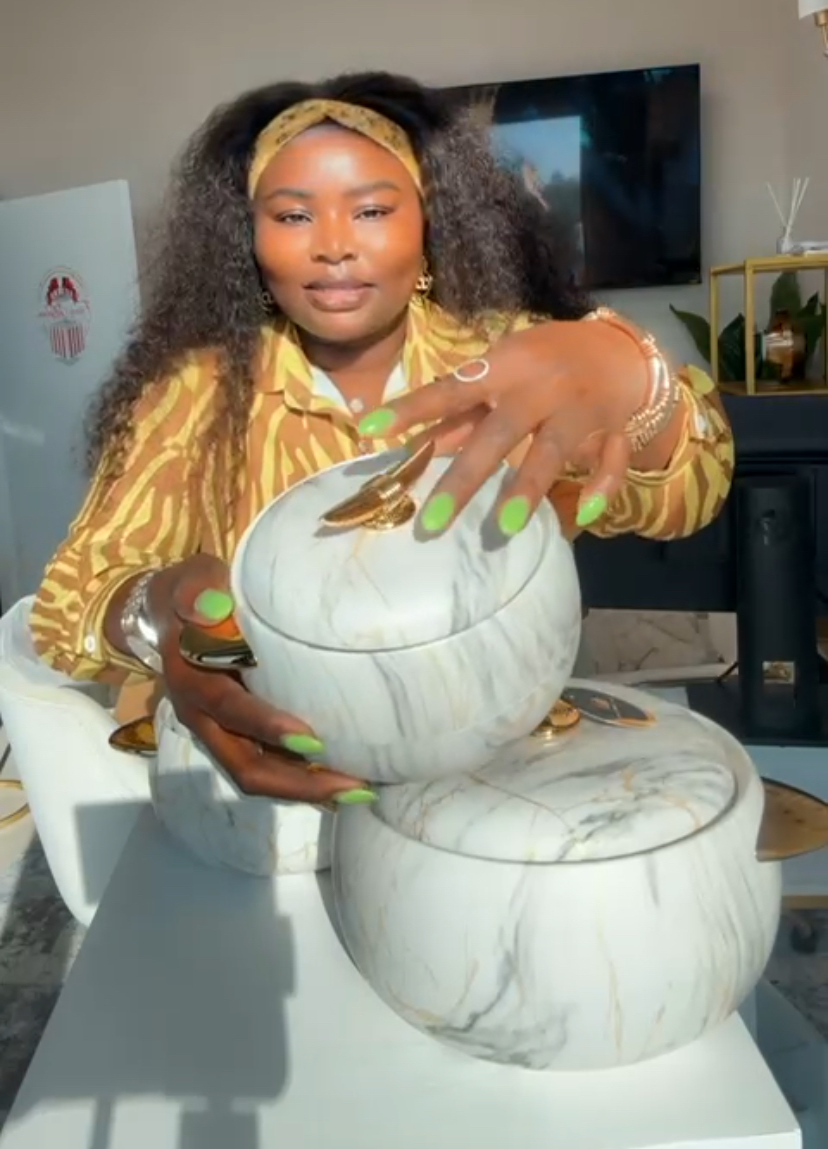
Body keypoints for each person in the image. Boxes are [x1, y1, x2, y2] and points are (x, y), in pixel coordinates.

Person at [31, 72, 733, 807]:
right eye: (293, 216)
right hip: (281, 798)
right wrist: (157, 609)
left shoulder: (511, 360)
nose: (334, 247)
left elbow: (693, 493)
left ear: (427, 223)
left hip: (494, 776)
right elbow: (67, 603)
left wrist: (638, 378)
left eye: (371, 210)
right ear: (250, 239)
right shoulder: (193, 393)